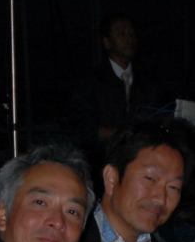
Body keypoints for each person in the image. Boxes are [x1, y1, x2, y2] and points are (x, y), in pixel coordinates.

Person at [65, 13, 160, 166]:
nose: (128, 39)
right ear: (107, 42)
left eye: (131, 34)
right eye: (121, 33)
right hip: (100, 163)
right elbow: (83, 128)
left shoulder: (148, 82)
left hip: (141, 163)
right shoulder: (90, 82)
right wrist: (124, 132)